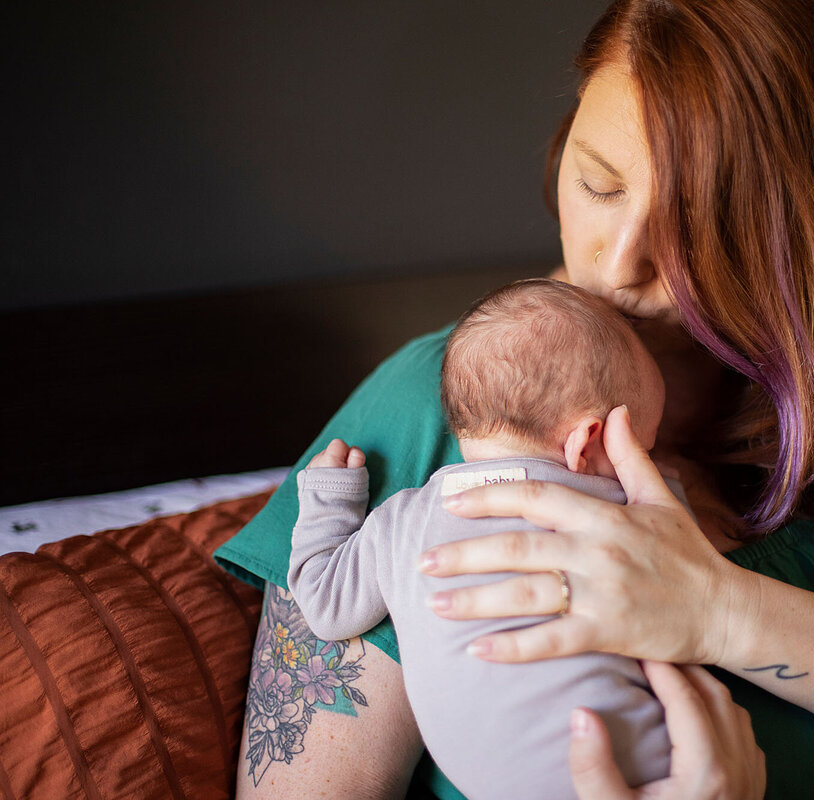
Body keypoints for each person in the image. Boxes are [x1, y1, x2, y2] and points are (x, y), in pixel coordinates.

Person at [218, 1, 814, 798]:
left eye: (699, 230)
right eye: (600, 182)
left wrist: (719, 610)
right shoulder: (434, 409)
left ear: (812, 231)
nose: (617, 263)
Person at [286, 279, 681, 799]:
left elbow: (326, 604)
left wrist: (327, 502)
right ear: (585, 444)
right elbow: (688, 570)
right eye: (644, 446)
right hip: (646, 766)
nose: (649, 465)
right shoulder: (619, 508)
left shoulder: (401, 521)